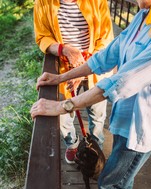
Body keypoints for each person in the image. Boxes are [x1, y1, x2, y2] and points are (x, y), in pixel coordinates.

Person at [31, 0, 151, 189]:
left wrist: (63, 105)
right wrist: (62, 77)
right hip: (125, 116)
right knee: (122, 178)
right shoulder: (146, 14)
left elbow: (122, 81)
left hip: (143, 125)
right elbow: (107, 56)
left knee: (109, 182)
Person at [33, 0, 113, 164]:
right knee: (63, 116)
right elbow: (42, 36)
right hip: (63, 71)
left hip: (96, 69)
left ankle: (95, 149)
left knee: (97, 116)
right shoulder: (43, 2)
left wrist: (84, 66)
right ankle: (72, 144)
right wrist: (64, 49)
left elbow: (106, 39)